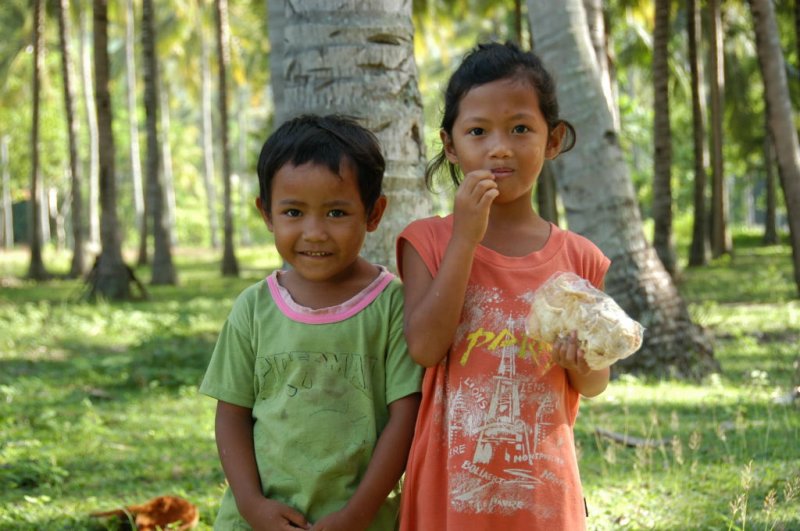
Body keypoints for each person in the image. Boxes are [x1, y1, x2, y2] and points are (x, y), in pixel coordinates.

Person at [396, 42, 611, 530]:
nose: (499, 147)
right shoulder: (427, 241)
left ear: (552, 140)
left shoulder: (579, 258)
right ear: (450, 144)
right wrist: (464, 240)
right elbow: (426, 346)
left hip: (543, 491)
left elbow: (595, 384)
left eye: (520, 129)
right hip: (449, 492)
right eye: (477, 131)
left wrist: (582, 366)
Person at [200, 114, 423, 531]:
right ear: (266, 214)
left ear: (374, 213)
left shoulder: (393, 305)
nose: (315, 232)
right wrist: (251, 505)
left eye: (337, 212)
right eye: (294, 212)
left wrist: (357, 514)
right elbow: (231, 415)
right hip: (258, 520)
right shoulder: (254, 308)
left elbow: (404, 418)